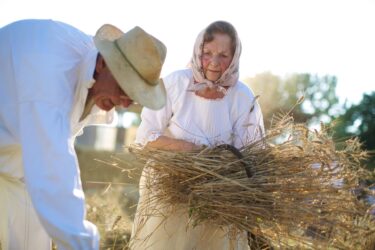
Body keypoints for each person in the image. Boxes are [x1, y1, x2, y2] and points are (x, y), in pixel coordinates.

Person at [0, 19, 166, 250]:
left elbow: (60, 158)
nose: (124, 103)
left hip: (17, 168)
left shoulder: (92, 77)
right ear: (103, 64)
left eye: (133, 97)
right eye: (123, 89)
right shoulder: (51, 78)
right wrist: (84, 244)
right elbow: (51, 170)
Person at [130, 20, 265, 250]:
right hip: (169, 197)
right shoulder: (174, 83)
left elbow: (252, 154)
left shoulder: (242, 96)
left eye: (223, 55)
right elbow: (145, 138)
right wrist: (189, 150)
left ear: (234, 57)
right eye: (207, 53)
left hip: (219, 201)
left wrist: (222, 175)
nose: (214, 62)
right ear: (197, 51)